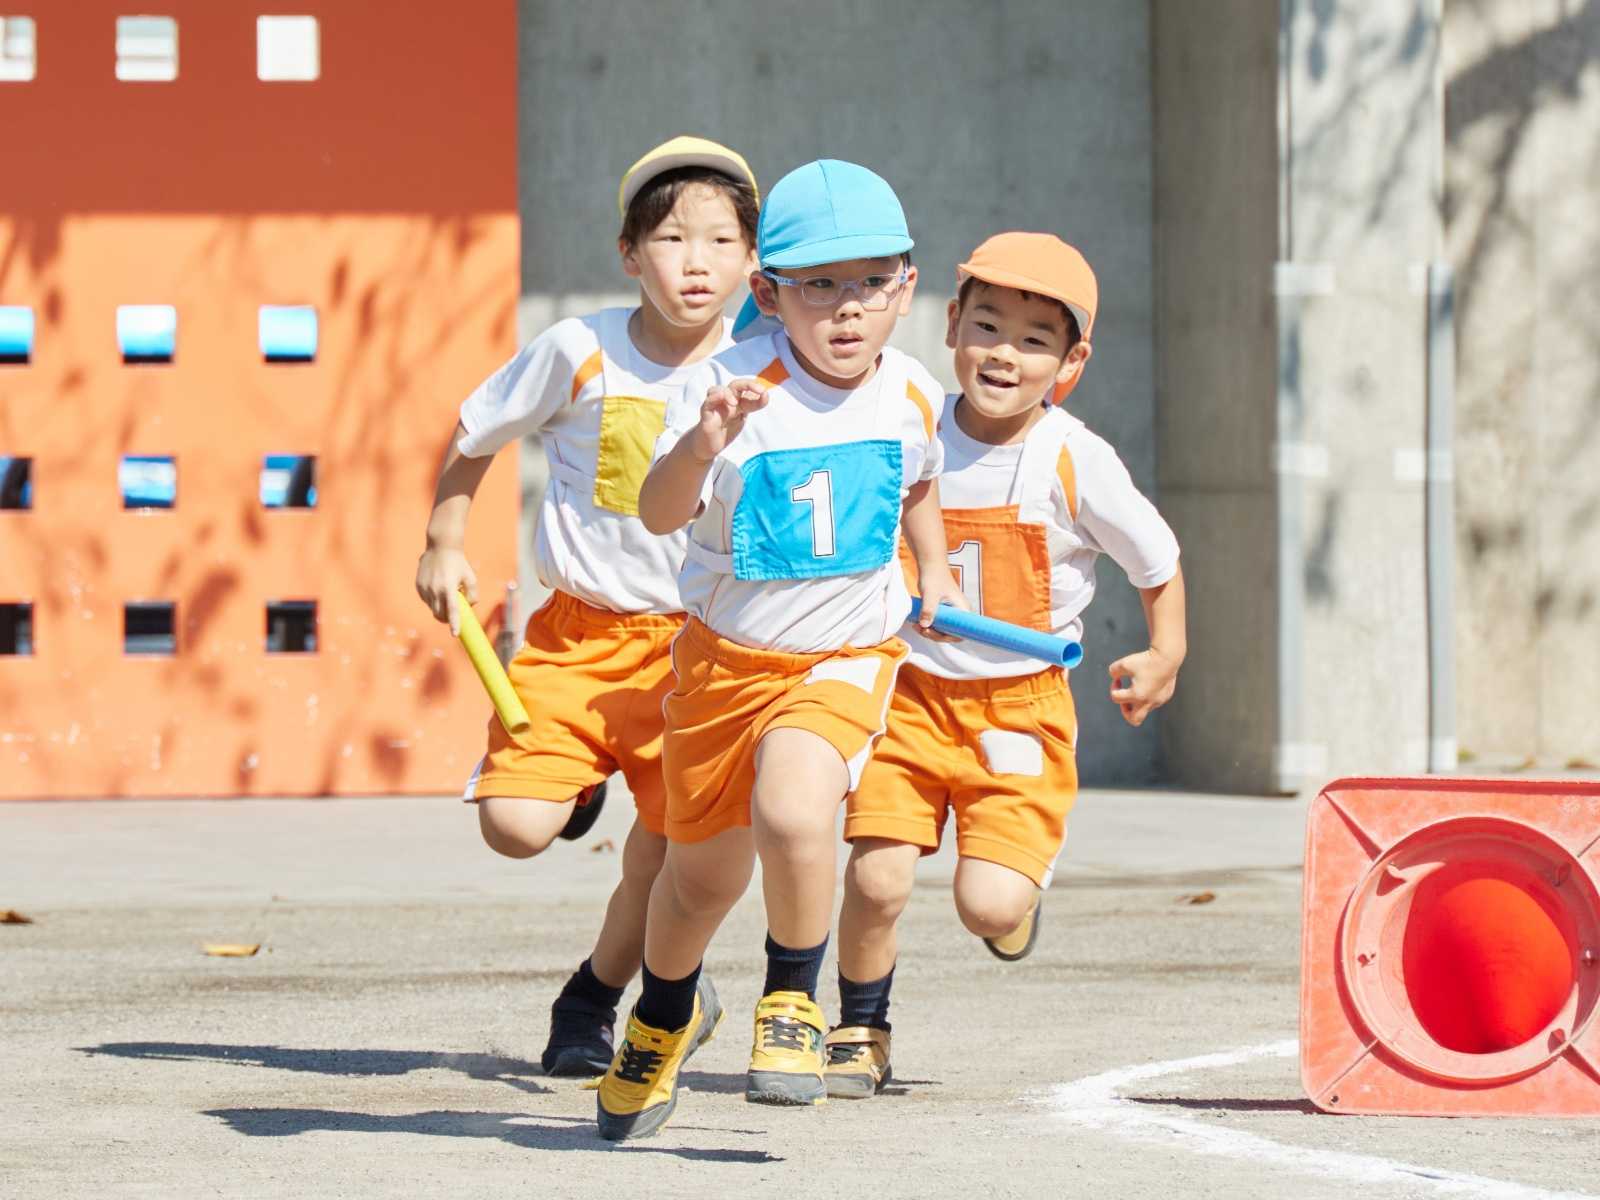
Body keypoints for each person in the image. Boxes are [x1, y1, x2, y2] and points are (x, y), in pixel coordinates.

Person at [594, 159, 965, 1140]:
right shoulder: (727, 388)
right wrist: (701, 444)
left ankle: (792, 1000)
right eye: (819, 286)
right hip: (724, 671)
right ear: (768, 293)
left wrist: (933, 570)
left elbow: (919, 482)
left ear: (906, 288)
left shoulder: (911, 390)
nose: (848, 309)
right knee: (695, 885)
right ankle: (663, 1017)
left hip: (844, 659)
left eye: (872, 283)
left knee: (796, 811)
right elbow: (657, 511)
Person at [414, 136, 759, 1077]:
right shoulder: (579, 349)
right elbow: (475, 432)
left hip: (697, 656)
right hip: (579, 640)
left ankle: (594, 999)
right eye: (672, 239)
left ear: (751, 261)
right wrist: (444, 539)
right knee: (514, 828)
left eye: (721, 242)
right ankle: (573, 779)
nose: (696, 262)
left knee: (662, 862)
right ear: (629, 254)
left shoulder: (763, 369)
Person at [824, 232, 1187, 1099]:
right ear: (951, 324)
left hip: (1019, 711)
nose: (1003, 354)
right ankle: (861, 1028)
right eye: (986, 326)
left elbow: (1157, 560)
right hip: (907, 694)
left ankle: (1018, 896)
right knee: (876, 878)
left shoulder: (1072, 457)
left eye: (1034, 341)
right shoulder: (907, 424)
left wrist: (1165, 652)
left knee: (986, 904)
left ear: (1071, 363)